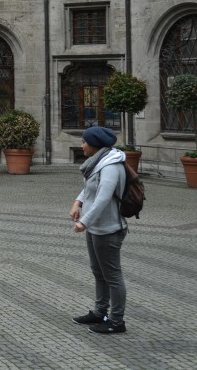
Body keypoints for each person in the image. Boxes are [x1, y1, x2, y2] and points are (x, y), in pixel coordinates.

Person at [70, 125, 129, 334]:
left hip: (109, 228)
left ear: (95, 145)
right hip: (96, 227)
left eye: (84, 141)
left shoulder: (111, 165)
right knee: (98, 272)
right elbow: (90, 188)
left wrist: (84, 221)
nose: (82, 145)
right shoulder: (99, 162)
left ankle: (116, 321)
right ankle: (100, 312)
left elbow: (104, 197)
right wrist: (78, 201)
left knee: (112, 275)